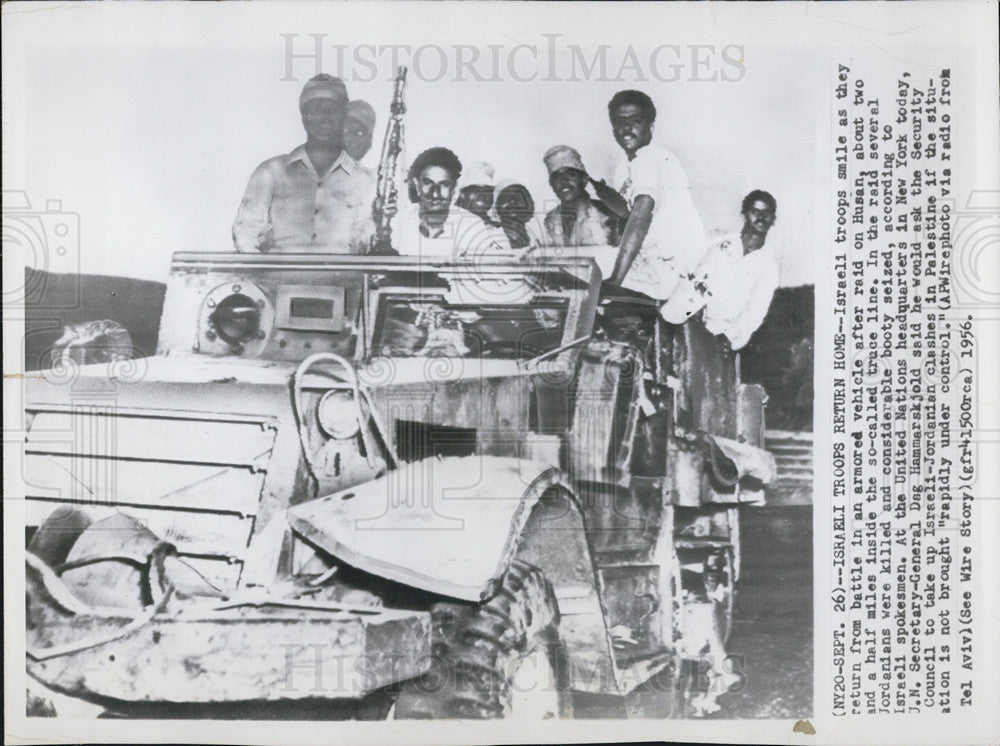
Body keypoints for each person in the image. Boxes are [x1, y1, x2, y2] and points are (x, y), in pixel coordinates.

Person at [232, 74, 375, 254]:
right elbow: (245, 235)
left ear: (344, 114)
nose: (326, 116)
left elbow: (366, 244)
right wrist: (265, 279)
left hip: (342, 282)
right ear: (304, 115)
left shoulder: (365, 181)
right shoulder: (270, 172)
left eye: (333, 108)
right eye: (317, 108)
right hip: (276, 282)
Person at [603, 90, 707, 301]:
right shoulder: (626, 166)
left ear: (650, 127)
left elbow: (641, 215)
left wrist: (616, 280)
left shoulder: (649, 157)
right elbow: (628, 212)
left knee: (587, 261)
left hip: (673, 269)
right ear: (613, 128)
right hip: (658, 264)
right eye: (620, 121)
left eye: (636, 121)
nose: (627, 127)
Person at [698, 190, 780, 350]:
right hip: (692, 325)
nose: (761, 217)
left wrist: (728, 338)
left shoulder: (769, 265)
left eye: (766, 213)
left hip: (723, 340)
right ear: (744, 215)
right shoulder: (719, 244)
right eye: (755, 211)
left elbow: (756, 311)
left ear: (773, 219)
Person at [393, 147, 510, 257]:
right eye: (428, 183)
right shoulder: (398, 221)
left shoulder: (471, 225)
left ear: (454, 189)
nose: (435, 194)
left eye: (444, 184)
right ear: (417, 185)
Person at [540, 145, 619, 249]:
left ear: (584, 179)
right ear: (552, 184)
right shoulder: (551, 220)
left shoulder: (606, 215)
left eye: (571, 174)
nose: (563, 181)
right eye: (557, 176)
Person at [494, 179, 545, 251]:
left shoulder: (539, 239)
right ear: (497, 209)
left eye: (518, 198)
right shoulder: (492, 242)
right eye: (505, 198)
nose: (512, 202)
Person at [454, 160, 500, 228]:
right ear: (462, 194)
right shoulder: (451, 223)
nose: (482, 196)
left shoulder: (499, 230)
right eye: (475, 190)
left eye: (487, 190)